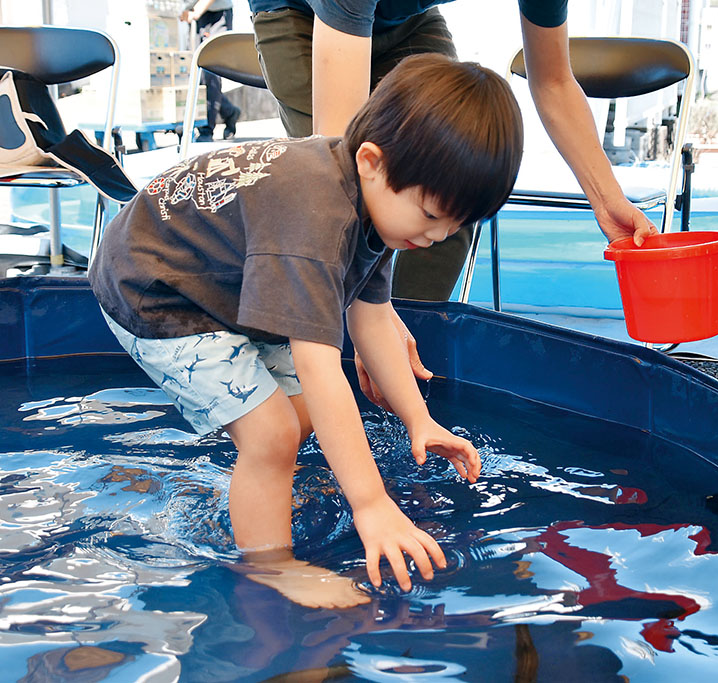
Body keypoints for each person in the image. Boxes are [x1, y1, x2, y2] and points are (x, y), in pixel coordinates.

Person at [88, 54, 523, 608]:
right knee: (270, 434)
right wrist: (369, 503)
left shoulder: (378, 211)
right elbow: (321, 366)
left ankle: (265, 484)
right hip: (155, 286)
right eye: (432, 215)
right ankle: (271, 569)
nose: (439, 237)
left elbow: (370, 319)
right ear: (371, 161)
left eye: (456, 226)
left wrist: (420, 419)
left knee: (299, 419)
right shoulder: (317, 219)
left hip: (222, 277)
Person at [249, 0, 658, 409]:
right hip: (303, 13)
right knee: (348, 226)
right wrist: (371, 310)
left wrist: (607, 200)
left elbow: (552, 79)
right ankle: (323, 376)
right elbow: (340, 179)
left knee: (450, 190)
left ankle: (403, 381)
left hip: (405, 17)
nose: (435, 233)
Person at [181, 0, 242, 140]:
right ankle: (229, 111)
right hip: (195, 14)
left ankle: (206, 130)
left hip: (216, 14)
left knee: (210, 70)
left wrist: (196, 11)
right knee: (199, 74)